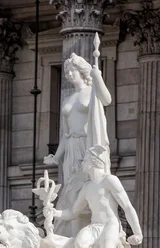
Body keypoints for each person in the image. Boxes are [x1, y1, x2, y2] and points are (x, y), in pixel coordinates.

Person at [44, 145, 142, 248]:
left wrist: (138, 233)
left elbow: (128, 207)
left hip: (110, 225)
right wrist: (54, 212)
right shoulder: (87, 187)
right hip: (95, 225)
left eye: (84, 160)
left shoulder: (110, 180)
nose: (82, 163)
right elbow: (73, 212)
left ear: (93, 162)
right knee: (79, 243)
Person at [43, 53, 112, 237]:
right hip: (72, 148)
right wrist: (56, 157)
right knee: (71, 190)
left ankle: (90, 230)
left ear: (81, 71)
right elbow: (65, 135)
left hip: (87, 145)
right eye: (66, 71)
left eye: (72, 70)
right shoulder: (67, 100)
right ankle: (71, 234)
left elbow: (107, 100)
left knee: (87, 185)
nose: (69, 74)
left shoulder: (93, 92)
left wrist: (97, 77)